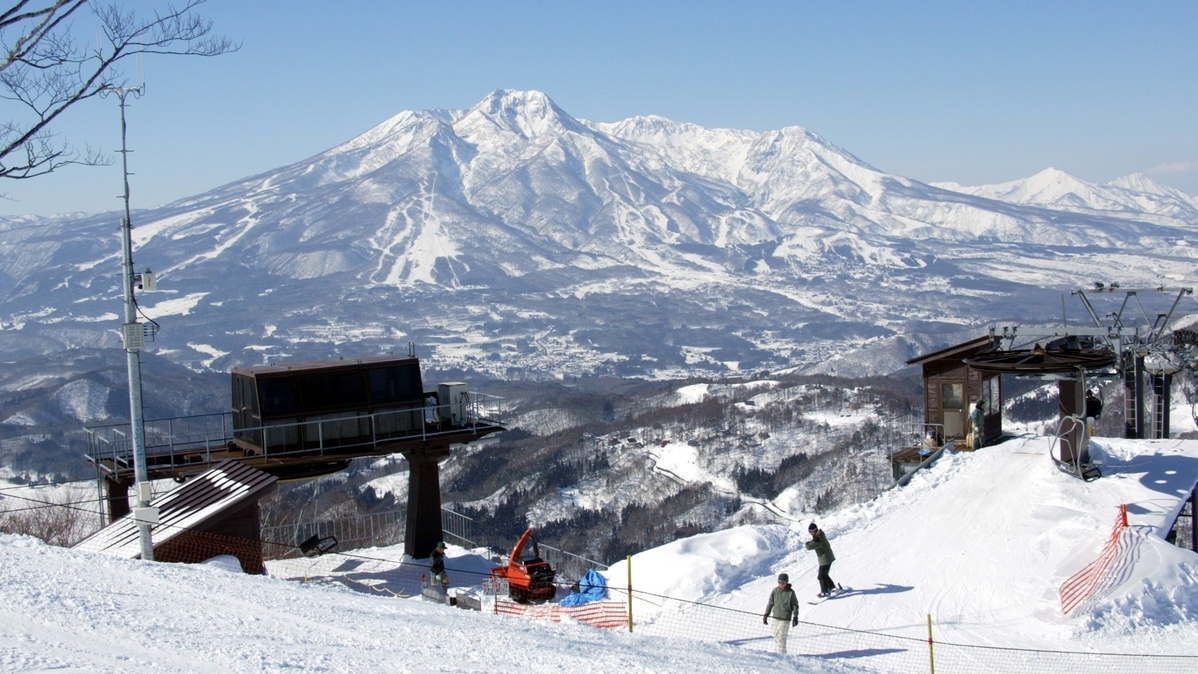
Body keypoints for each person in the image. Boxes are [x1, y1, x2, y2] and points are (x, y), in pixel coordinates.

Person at [762, 573, 799, 654]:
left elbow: (795, 605)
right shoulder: (775, 591)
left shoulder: (790, 593)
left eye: (783, 582)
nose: (781, 584)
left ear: (786, 582)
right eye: (779, 582)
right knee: (775, 636)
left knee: (781, 638)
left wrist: (795, 616)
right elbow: (770, 603)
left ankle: (782, 655)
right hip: (776, 617)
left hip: (785, 618)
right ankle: (778, 654)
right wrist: (766, 614)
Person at [804, 523, 837, 597]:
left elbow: (809, 547)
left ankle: (824, 592)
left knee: (821, 576)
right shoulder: (819, 534)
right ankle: (831, 587)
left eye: (810, 531)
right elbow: (814, 542)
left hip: (825, 559)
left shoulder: (818, 538)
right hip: (827, 557)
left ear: (814, 531)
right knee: (824, 574)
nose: (810, 533)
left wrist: (807, 544)